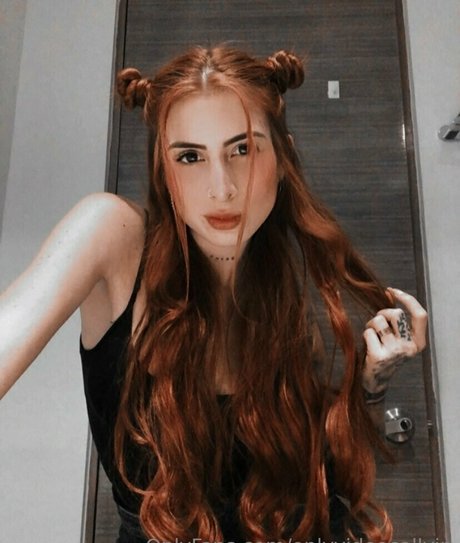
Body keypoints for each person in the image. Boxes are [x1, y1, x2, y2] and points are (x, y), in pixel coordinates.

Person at [0, 45, 427, 543]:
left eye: (242, 149)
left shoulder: (285, 305)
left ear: (282, 157)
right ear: (162, 169)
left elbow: (320, 483)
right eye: (190, 157)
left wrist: (372, 384)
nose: (221, 188)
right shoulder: (113, 236)